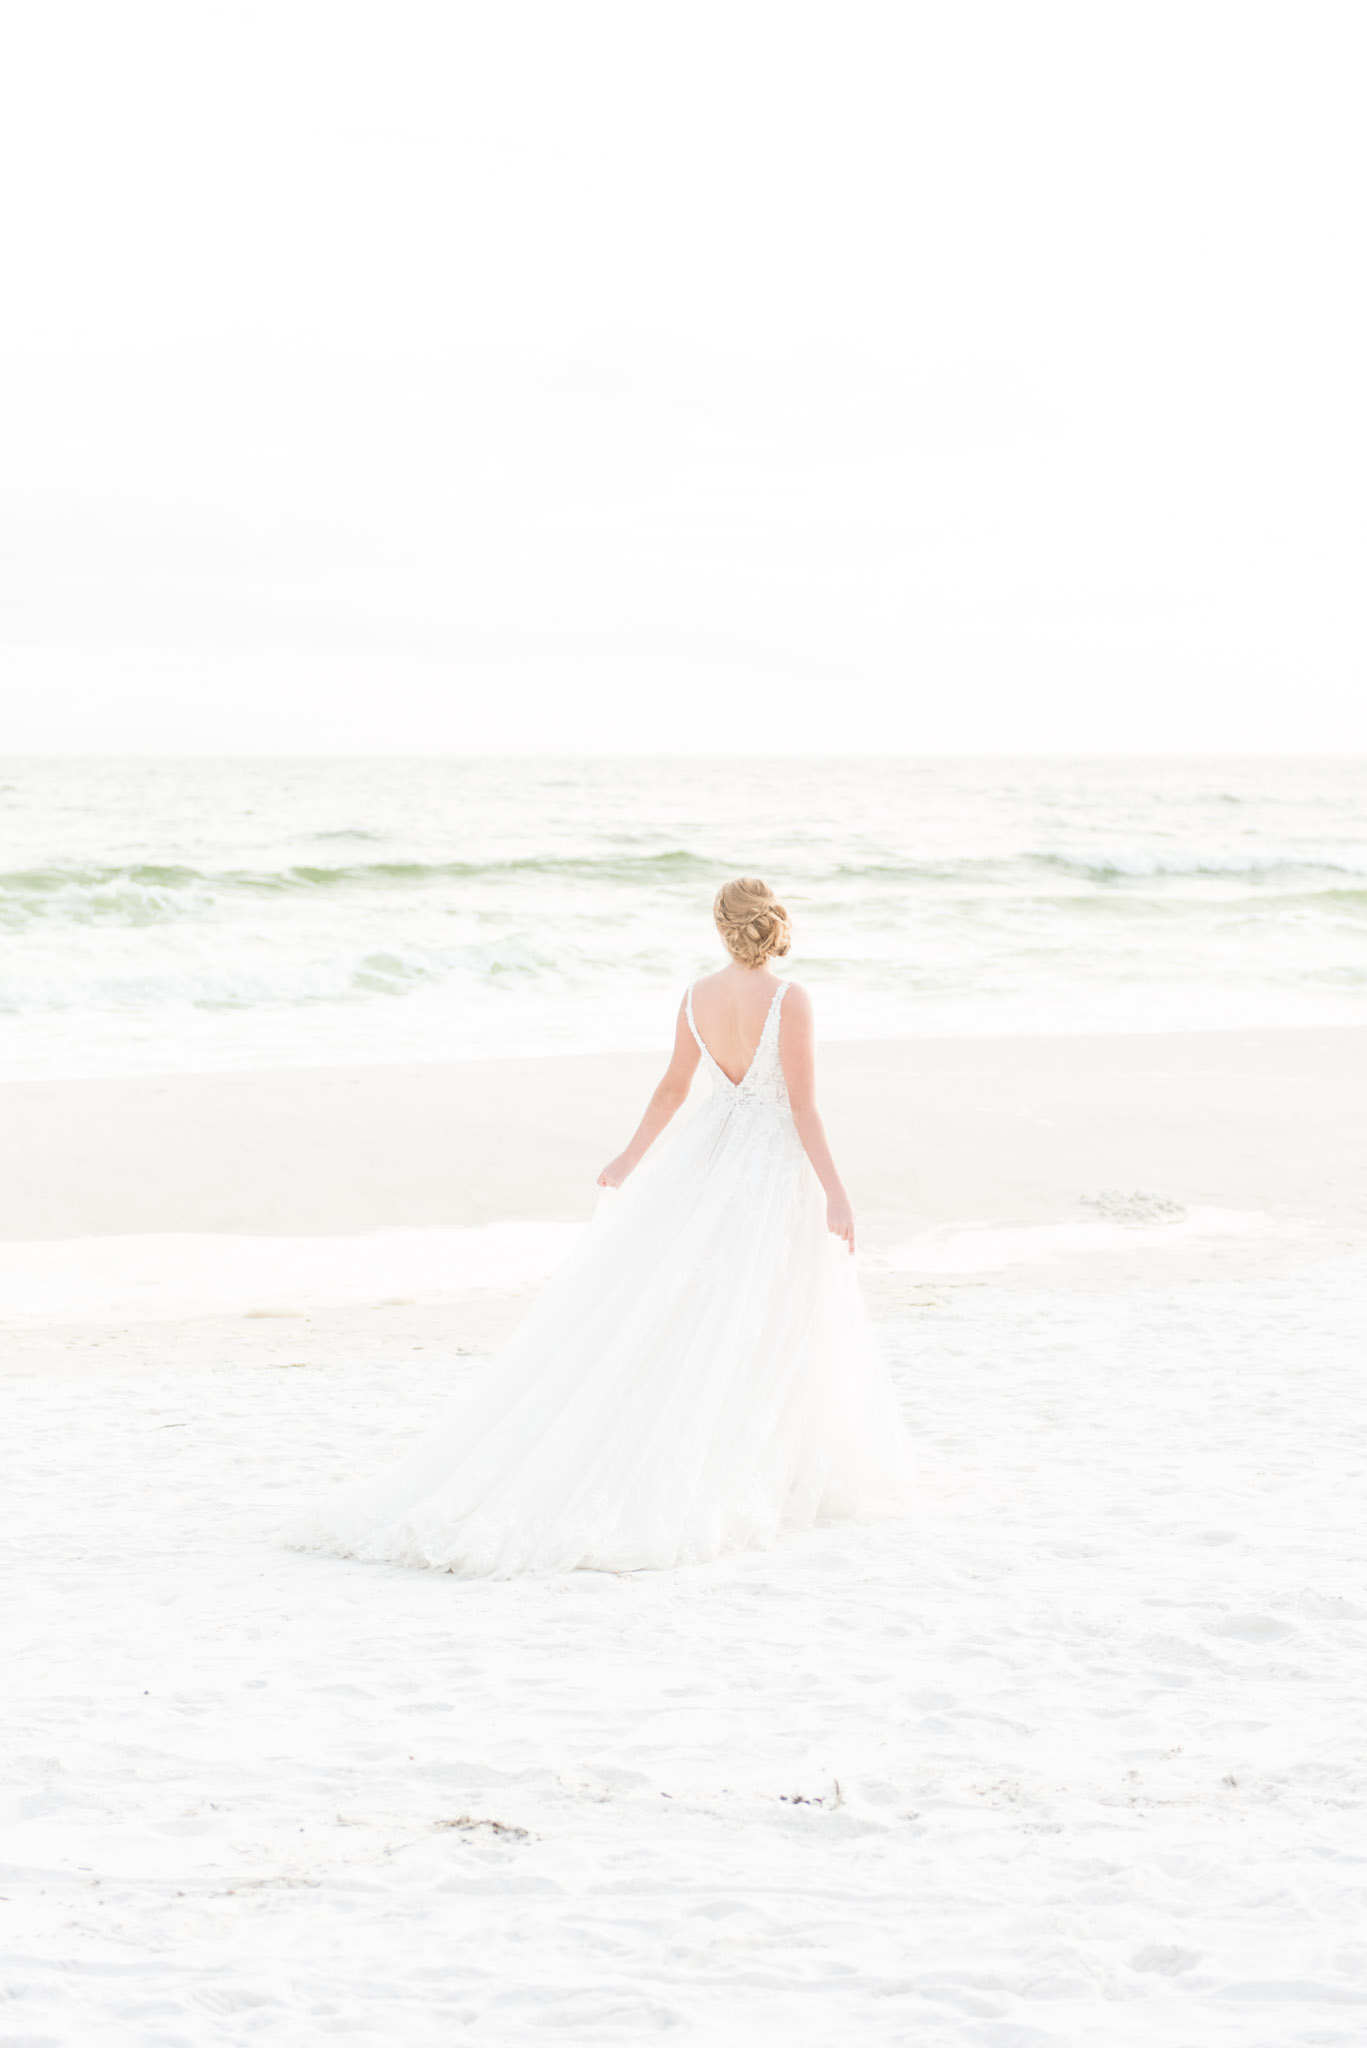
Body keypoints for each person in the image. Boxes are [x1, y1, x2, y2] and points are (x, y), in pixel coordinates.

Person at [282, 877, 913, 1577]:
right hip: (765, 1169)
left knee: (697, 1303)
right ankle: (757, 1458)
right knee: (761, 1307)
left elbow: (673, 1089)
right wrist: (837, 1194)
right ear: (773, 923)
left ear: (720, 926)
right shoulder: (790, 999)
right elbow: (802, 1107)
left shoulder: (695, 996)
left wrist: (629, 1158)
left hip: (707, 1155)